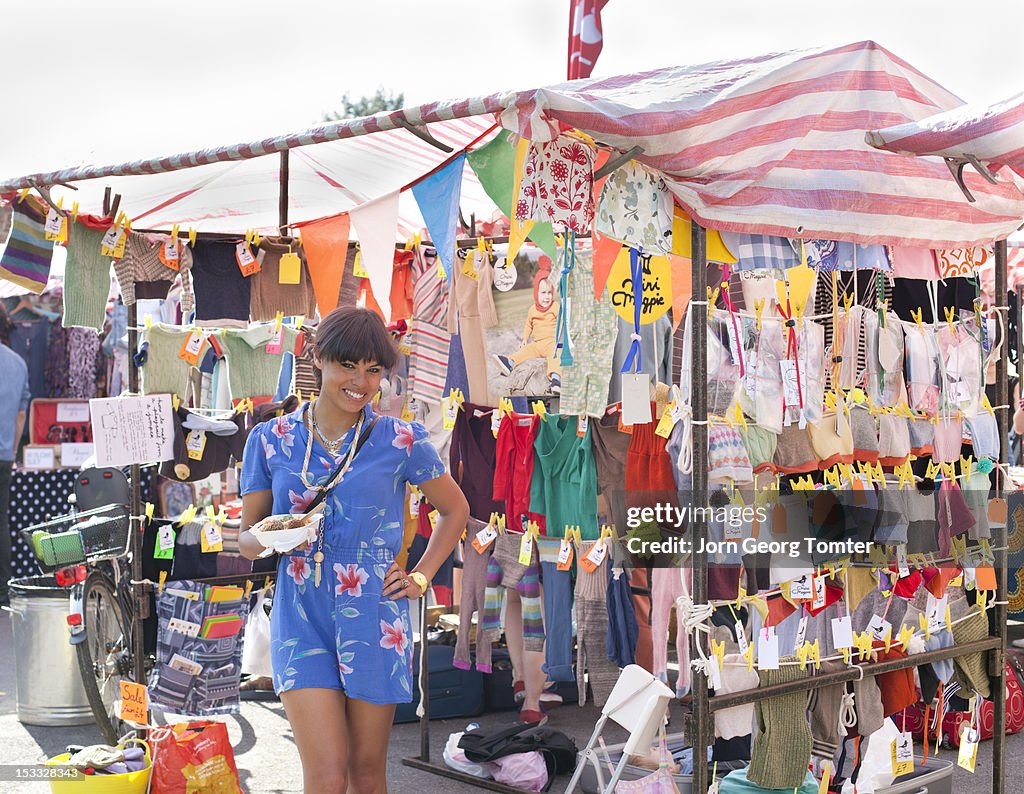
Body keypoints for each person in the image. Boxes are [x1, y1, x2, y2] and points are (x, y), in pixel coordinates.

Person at [239, 307, 469, 794]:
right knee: (324, 776)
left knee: (366, 774)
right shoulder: (269, 439)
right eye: (348, 365)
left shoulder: (400, 439)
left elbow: (456, 511)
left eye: (372, 370)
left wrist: (422, 577)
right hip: (299, 609)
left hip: (374, 610)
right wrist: (276, 538)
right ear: (318, 357)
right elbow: (245, 539)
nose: (360, 382)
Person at [495, 259, 561, 393]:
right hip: (537, 344)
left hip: (551, 343)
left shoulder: (555, 307)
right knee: (524, 351)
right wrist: (525, 339)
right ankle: (510, 363)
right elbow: (528, 325)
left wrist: (559, 341)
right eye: (543, 293)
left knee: (555, 357)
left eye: (549, 292)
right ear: (536, 293)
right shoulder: (532, 310)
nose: (547, 297)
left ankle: (555, 379)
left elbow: (561, 323)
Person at [0, 328, 29, 607]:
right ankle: (2, 592)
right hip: (4, 456)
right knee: (1, 522)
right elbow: (21, 414)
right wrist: (11, 448)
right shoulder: (17, 362)